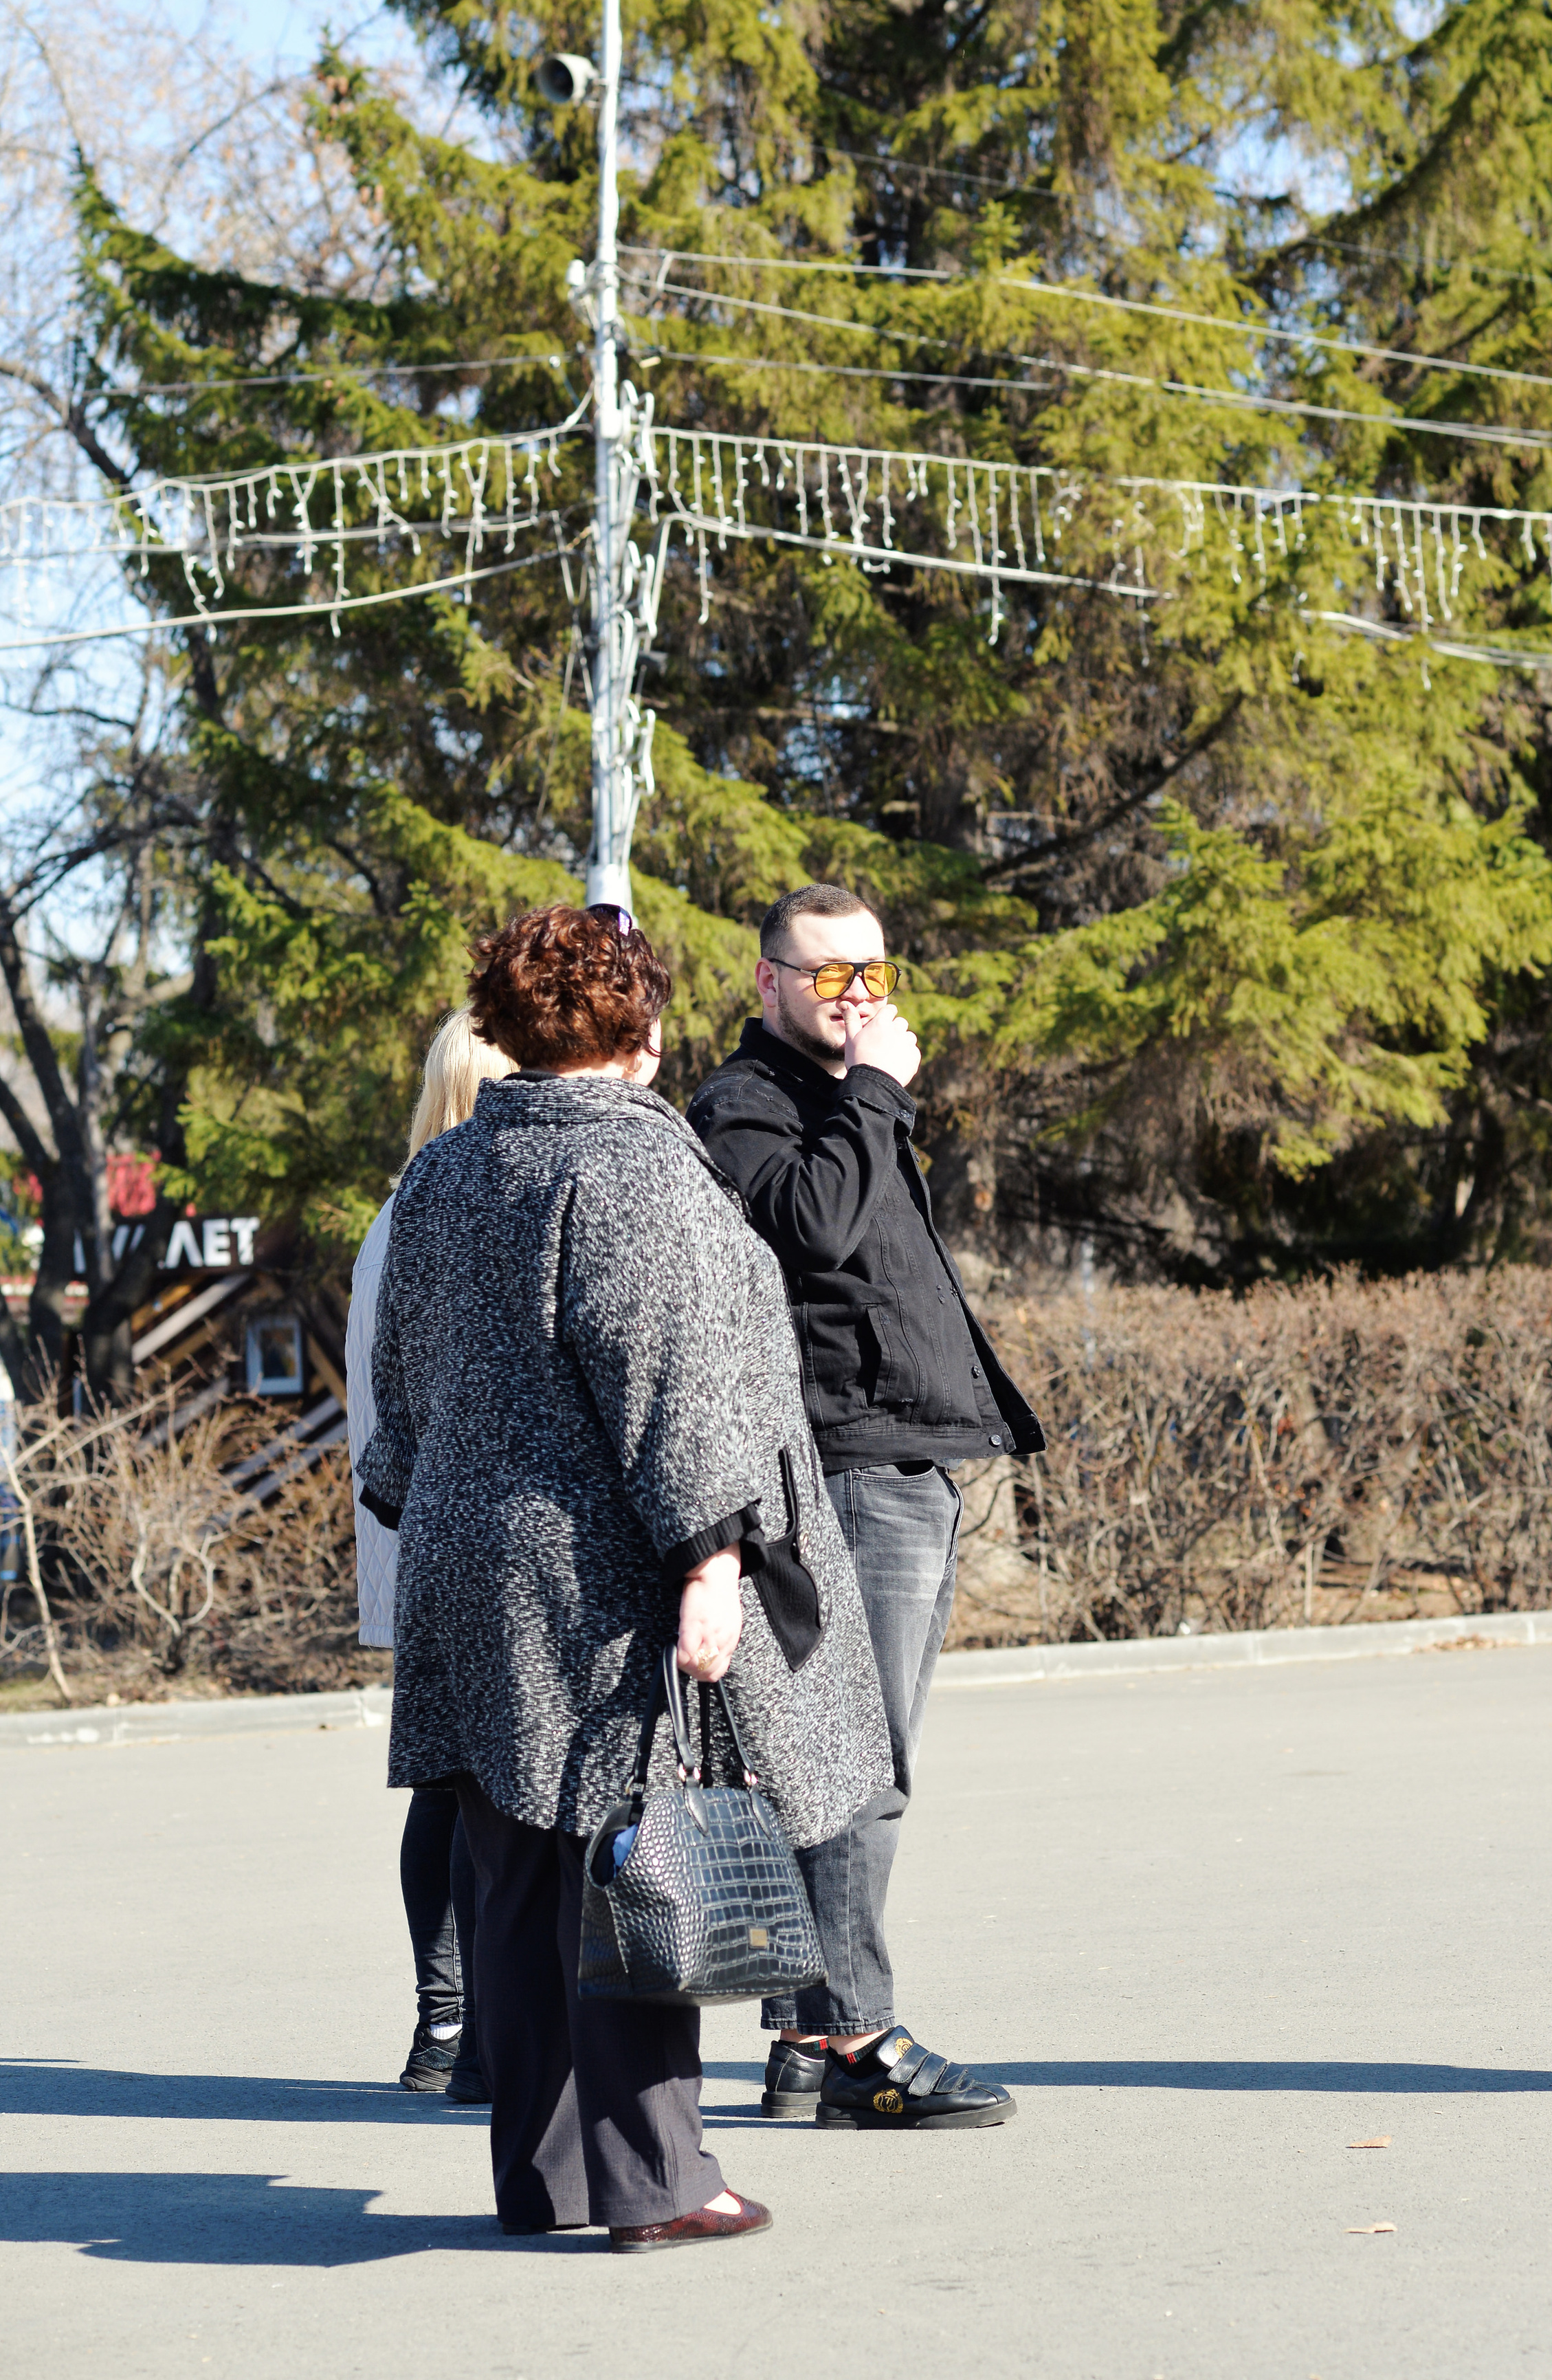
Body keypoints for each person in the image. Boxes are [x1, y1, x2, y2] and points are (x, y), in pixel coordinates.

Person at [359, 901, 891, 2248]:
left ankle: (545, 2180)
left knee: (520, 1889)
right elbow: (670, 1382)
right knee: (630, 1870)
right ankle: (658, 2183)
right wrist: (710, 1557)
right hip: (599, 1584)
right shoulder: (634, 1167)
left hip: (467, 1573)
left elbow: (399, 1388)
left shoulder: (442, 1173)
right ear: (639, 1029)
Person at [687, 882, 1045, 2133]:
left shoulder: (842, 1101)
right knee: (858, 1767)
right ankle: (856, 2042)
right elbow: (814, 1231)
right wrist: (876, 1093)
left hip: (902, 1459)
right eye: (830, 973)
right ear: (767, 982)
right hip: (840, 1467)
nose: (857, 995)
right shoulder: (743, 1105)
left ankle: (803, 2033)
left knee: (843, 1756)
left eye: (875, 972)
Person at [348, 1008, 514, 2101]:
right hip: (464, 1527)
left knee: (447, 1781)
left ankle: (444, 2020)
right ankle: (466, 2021)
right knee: (473, 1784)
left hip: (409, 1522)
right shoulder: (460, 1209)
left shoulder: (398, 1212)